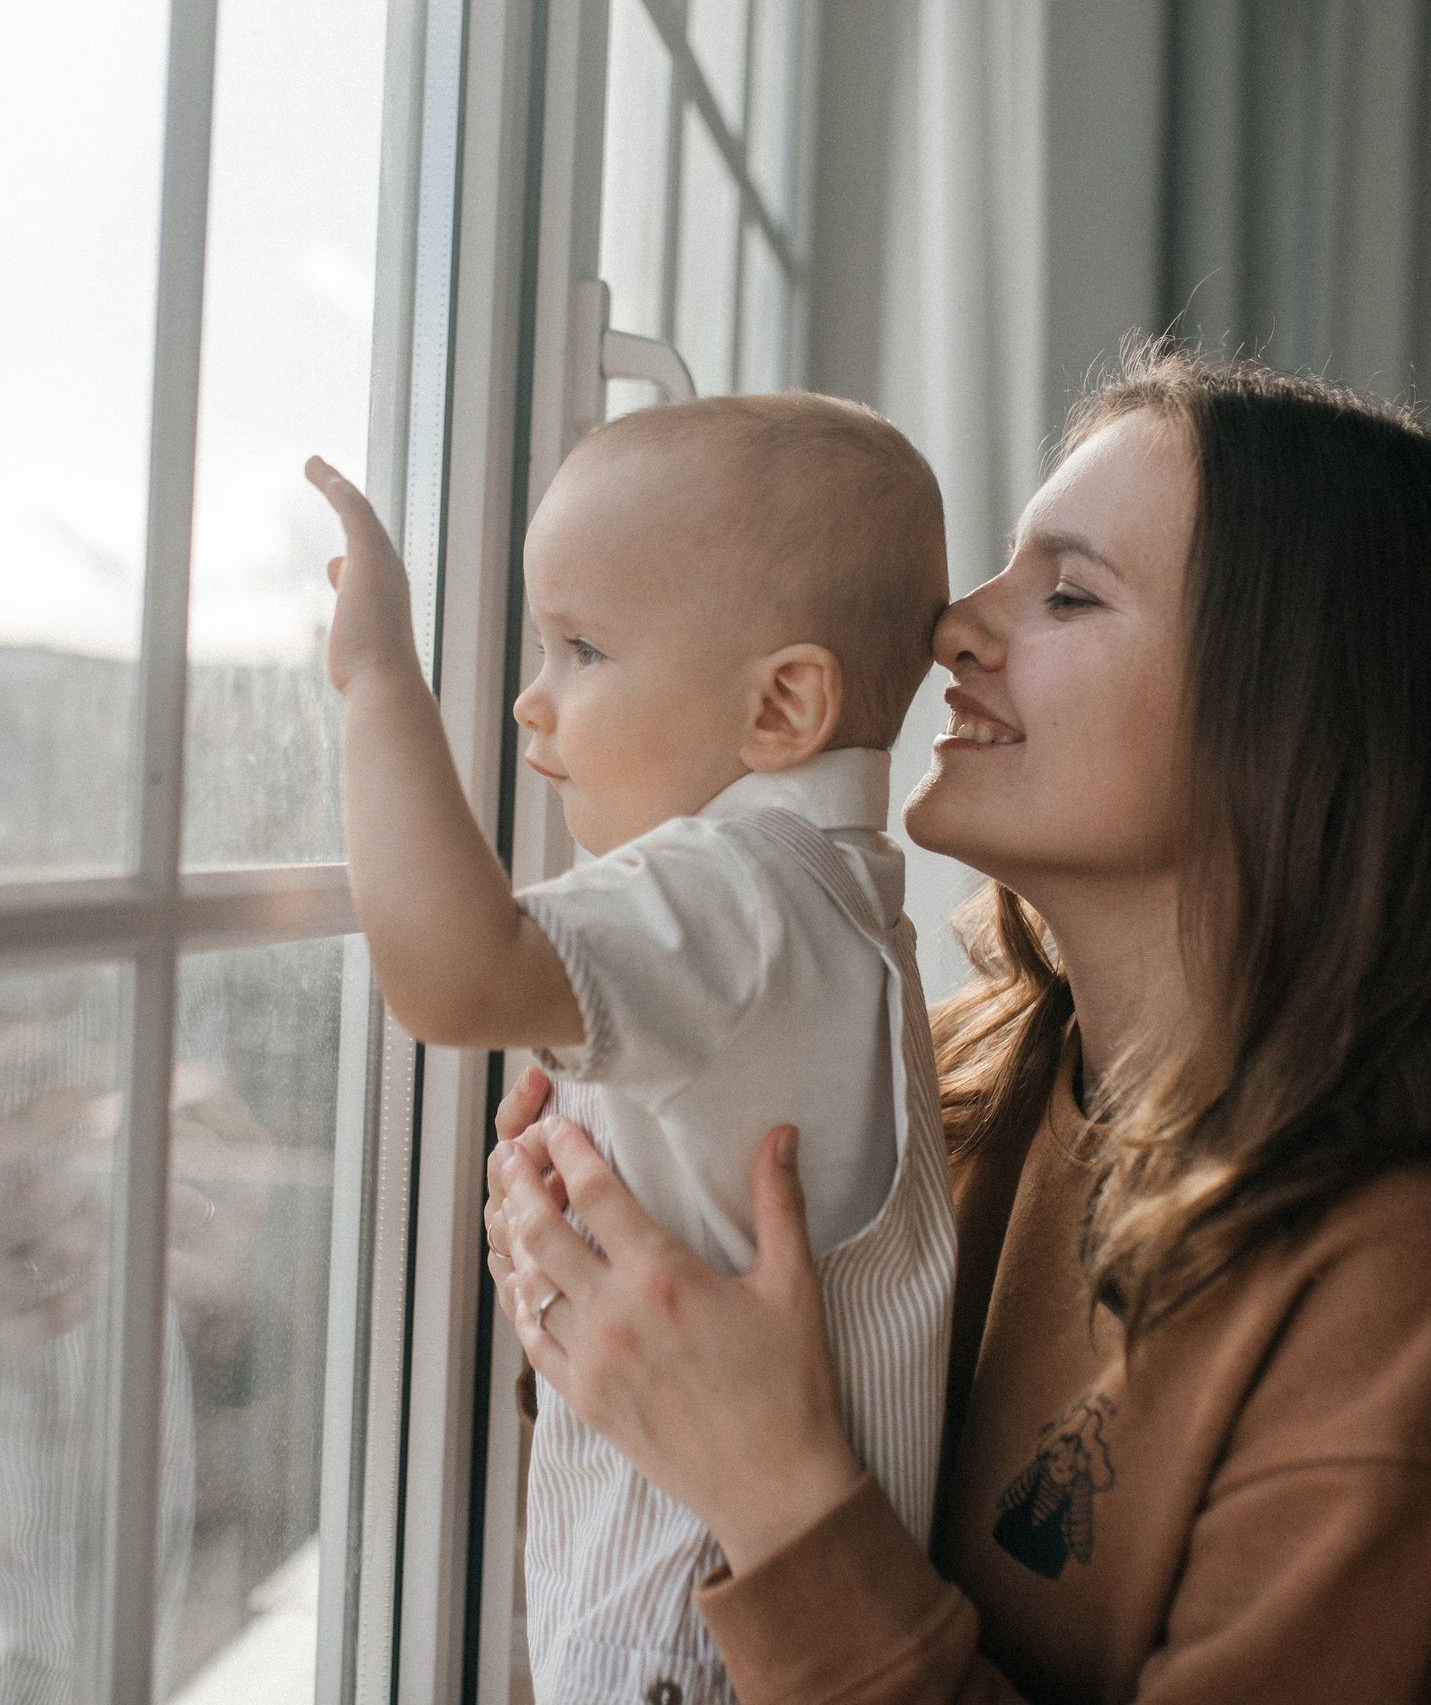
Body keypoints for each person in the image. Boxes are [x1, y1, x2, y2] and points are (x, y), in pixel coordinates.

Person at [486, 347, 1431, 1703]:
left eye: (1067, 592)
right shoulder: (949, 1087)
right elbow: (698, 1479)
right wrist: (609, 1302)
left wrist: (777, 1493)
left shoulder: (1425, 1320)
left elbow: (774, 1490)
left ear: (1291, 717)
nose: (952, 626)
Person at [306, 392, 957, 1705]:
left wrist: (378, 680)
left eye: (582, 649)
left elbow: (452, 974)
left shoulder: (745, 892)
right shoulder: (818, 900)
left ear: (782, 707)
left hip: (695, 1659)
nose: (530, 707)